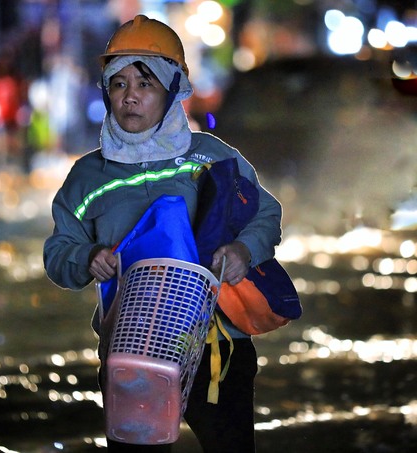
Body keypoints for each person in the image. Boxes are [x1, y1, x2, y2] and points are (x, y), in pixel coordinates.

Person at [43, 15, 282, 452]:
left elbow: (265, 214)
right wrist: (86, 256)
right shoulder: (86, 177)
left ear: (174, 90)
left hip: (218, 351)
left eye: (145, 84)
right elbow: (59, 251)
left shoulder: (213, 158)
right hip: (133, 356)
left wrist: (244, 251)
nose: (129, 96)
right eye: (118, 84)